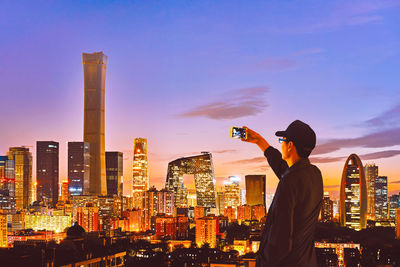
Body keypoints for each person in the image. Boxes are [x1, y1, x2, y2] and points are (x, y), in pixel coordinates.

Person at [242, 120, 323, 267]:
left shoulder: (289, 182)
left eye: (282, 140)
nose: (281, 144)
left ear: (290, 145)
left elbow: (280, 239)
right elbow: (283, 168)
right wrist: (260, 141)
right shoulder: (315, 174)